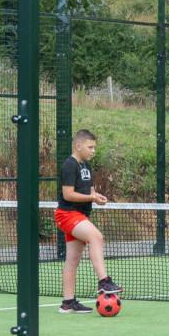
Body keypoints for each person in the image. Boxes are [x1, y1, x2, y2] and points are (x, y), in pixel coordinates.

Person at [54, 129, 123, 313]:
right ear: (78, 146)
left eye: (94, 147)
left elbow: (89, 191)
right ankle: (104, 281)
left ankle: (68, 303)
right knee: (96, 237)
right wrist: (91, 198)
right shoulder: (69, 165)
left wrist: (96, 197)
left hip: (80, 216)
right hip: (67, 214)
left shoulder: (86, 166)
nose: (93, 151)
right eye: (90, 147)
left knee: (72, 260)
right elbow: (68, 194)